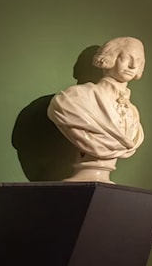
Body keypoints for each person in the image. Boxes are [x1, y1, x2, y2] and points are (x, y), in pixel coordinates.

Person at [48, 36, 146, 183]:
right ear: (111, 57)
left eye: (138, 61)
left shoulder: (133, 112)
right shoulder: (73, 99)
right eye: (126, 58)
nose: (133, 66)